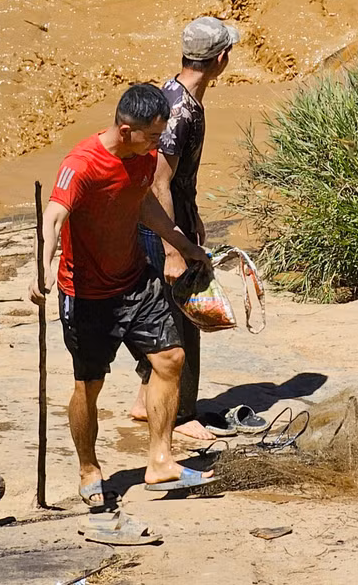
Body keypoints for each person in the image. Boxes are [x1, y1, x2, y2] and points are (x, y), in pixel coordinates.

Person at [28, 84, 218, 505]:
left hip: (135, 280)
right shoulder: (82, 165)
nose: (158, 144)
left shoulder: (144, 156)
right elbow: (55, 215)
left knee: (170, 359)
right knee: (88, 385)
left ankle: (161, 461)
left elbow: (143, 204)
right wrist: (42, 266)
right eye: (152, 136)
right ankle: (88, 468)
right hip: (88, 293)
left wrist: (183, 245)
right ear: (125, 129)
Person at [130, 17, 240, 441]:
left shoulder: (173, 92)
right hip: (161, 227)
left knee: (158, 310)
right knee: (180, 319)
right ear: (221, 58)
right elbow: (158, 179)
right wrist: (175, 246)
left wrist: (192, 219)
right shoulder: (180, 111)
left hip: (167, 221)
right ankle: (181, 414)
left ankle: (145, 399)